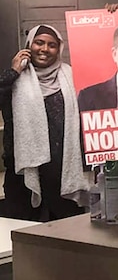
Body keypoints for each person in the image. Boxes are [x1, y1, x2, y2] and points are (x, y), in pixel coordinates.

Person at [0, 25, 89, 221]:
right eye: (39, 43)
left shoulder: (72, 76)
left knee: (69, 233)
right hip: (23, 172)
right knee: (24, 234)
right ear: (29, 45)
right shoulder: (15, 78)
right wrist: (13, 71)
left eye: (52, 45)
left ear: (59, 49)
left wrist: (112, 16)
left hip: (62, 172)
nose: (44, 49)